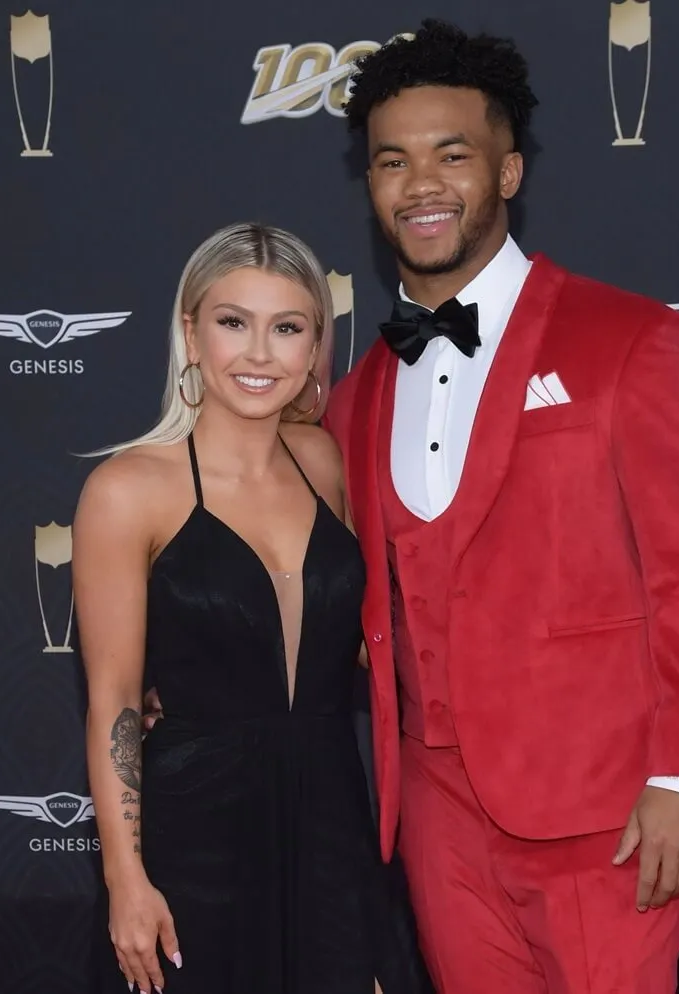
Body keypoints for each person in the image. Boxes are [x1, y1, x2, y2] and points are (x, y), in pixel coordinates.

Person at [321, 20, 679, 994]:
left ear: (507, 174)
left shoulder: (629, 339)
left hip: (606, 810)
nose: (421, 185)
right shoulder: (356, 394)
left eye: (451, 154)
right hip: (434, 817)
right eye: (393, 161)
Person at [74, 222, 431, 994]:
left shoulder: (324, 461)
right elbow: (113, 702)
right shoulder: (127, 490)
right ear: (191, 334)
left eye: (288, 328)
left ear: (313, 350)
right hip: (195, 837)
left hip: (333, 822)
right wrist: (125, 880)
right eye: (234, 323)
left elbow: (365, 636)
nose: (260, 354)